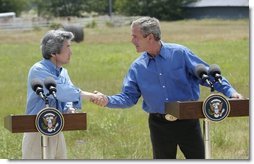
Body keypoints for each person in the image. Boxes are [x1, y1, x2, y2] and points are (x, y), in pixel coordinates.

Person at [91, 16, 243, 159]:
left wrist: (231, 92)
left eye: (135, 36)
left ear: (150, 37)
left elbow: (207, 75)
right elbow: (128, 97)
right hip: (159, 126)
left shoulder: (180, 53)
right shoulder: (137, 67)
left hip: (188, 121)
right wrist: (107, 100)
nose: (132, 40)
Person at [22, 30, 103, 159]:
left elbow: (68, 95)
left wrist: (69, 108)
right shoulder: (38, 69)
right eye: (68, 47)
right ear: (53, 52)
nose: (71, 52)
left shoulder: (63, 72)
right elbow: (62, 92)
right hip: (36, 129)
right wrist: (91, 96)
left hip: (56, 128)